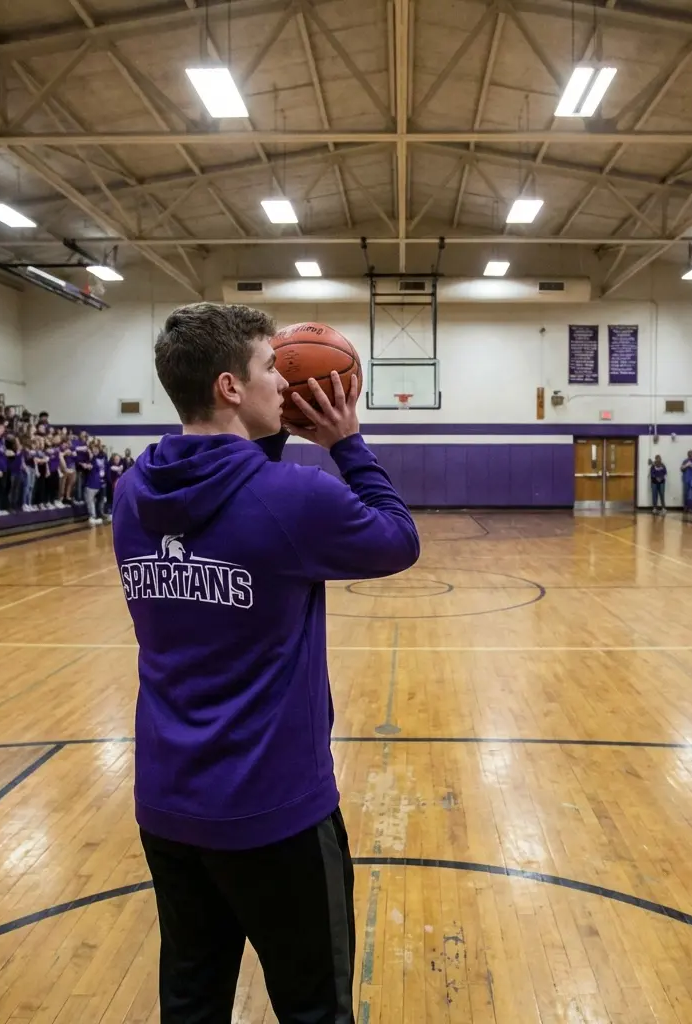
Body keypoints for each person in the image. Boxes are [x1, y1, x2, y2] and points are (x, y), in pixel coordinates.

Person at [112, 303, 419, 1024]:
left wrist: (274, 441)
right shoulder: (298, 495)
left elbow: (235, 505)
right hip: (274, 811)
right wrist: (346, 441)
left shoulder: (131, 492)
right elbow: (397, 539)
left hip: (167, 802)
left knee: (191, 1005)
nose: (284, 383)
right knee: (315, 1013)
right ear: (228, 387)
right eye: (269, 369)